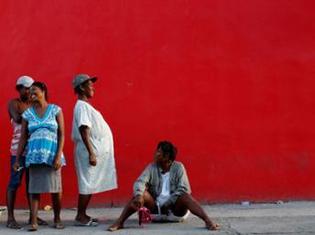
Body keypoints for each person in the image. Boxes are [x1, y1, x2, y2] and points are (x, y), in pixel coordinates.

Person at [108, 141, 220, 232]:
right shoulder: (152, 167)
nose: (155, 154)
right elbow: (140, 182)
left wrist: (169, 203)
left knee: (185, 196)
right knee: (140, 194)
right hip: (155, 209)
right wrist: (138, 195)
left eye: (159, 152)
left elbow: (183, 188)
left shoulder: (178, 167)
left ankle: (208, 221)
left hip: (174, 211)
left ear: (167, 157)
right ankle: (120, 222)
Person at [13, 82, 66, 231]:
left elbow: (61, 134)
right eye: (29, 92)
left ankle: (57, 218)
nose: (31, 93)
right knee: (34, 188)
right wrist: (17, 159)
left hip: (52, 154)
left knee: (55, 188)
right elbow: (23, 138)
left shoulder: (55, 110)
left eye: (34, 90)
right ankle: (34, 221)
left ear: (43, 90)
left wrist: (58, 156)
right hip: (34, 155)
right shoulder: (27, 114)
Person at [71, 74, 117, 226]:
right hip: (88, 151)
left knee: (89, 182)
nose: (93, 87)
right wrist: (91, 152)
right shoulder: (82, 106)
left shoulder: (84, 106)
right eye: (89, 85)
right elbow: (84, 129)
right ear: (81, 88)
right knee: (87, 182)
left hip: (90, 150)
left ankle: (82, 213)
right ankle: (80, 216)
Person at [6, 76, 48, 229]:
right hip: (18, 151)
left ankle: (33, 216)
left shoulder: (33, 105)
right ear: (19, 88)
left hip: (34, 150)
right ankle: (10, 218)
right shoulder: (14, 103)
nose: (30, 91)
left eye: (32, 88)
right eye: (27, 88)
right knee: (15, 182)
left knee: (32, 184)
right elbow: (18, 119)